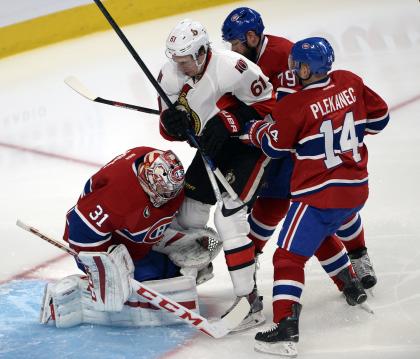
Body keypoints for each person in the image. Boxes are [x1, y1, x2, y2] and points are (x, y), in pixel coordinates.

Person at [243, 37, 389, 356]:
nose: (293, 70)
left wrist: (253, 130)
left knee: (288, 257)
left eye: (297, 65)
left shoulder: (294, 105)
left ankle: (285, 329)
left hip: (317, 195)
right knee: (322, 232)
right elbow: (380, 120)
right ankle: (350, 281)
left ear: (308, 68)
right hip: (355, 188)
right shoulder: (350, 81)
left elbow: (274, 146)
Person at [222, 7, 377, 290]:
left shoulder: (286, 54)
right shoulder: (234, 63)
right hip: (276, 145)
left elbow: (306, 104)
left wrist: (269, 125)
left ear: (252, 37)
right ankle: (251, 265)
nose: (232, 49)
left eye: (235, 43)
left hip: (300, 148)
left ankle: (358, 256)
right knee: (273, 211)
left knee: (326, 212)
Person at [158, 18, 276, 330]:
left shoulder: (234, 67)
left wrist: (230, 121)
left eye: (186, 61)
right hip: (212, 147)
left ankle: (249, 302)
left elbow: (271, 108)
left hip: (249, 147)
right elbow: (168, 125)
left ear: (200, 53)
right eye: (177, 61)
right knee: (190, 213)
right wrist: (172, 124)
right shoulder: (169, 75)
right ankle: (187, 275)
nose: (180, 67)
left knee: (229, 218)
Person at [40, 147, 221, 328]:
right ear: (145, 178)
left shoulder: (163, 175)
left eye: (168, 194)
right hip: (105, 244)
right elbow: (81, 226)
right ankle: (76, 296)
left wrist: (177, 238)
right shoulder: (118, 195)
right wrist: (106, 268)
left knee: (169, 273)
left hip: (132, 236)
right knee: (134, 286)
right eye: (161, 193)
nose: (164, 198)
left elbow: (155, 215)